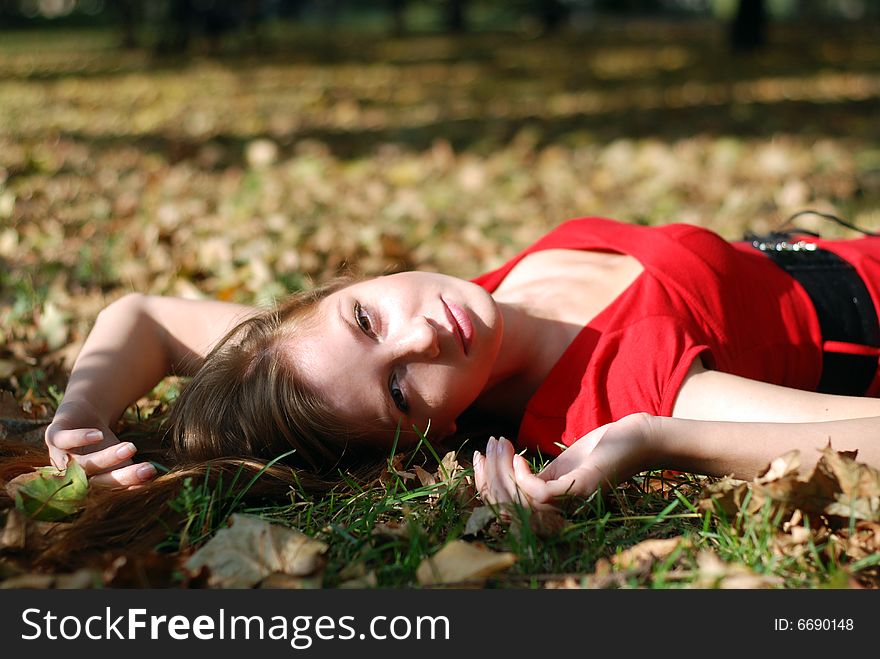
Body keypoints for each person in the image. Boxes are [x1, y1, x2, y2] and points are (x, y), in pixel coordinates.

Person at [28, 215, 880, 540]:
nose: (425, 333)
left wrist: (78, 422)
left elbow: (140, 314)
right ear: (417, 440)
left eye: (366, 317)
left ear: (335, 292)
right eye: (399, 389)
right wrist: (651, 437)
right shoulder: (625, 386)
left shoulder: (470, 313)